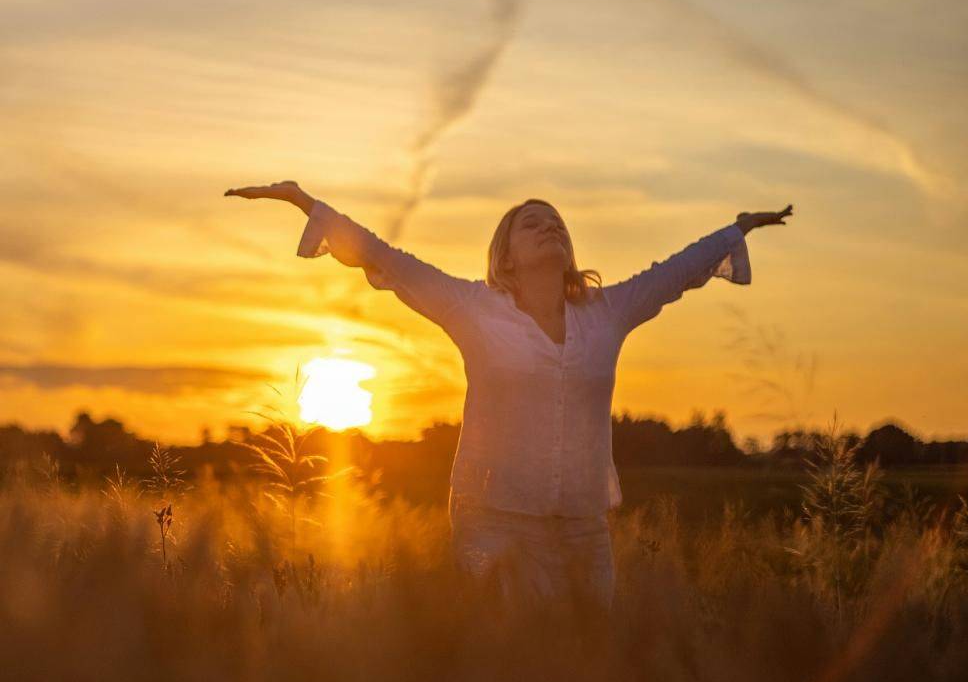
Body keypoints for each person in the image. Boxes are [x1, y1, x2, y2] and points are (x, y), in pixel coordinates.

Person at [225, 180, 793, 612]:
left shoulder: (607, 314)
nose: (550, 228)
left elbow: (674, 274)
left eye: (557, 225)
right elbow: (388, 260)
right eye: (532, 225)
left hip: (582, 524)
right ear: (507, 255)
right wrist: (306, 204)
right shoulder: (474, 309)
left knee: (589, 666)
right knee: (501, 664)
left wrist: (735, 230)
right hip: (493, 521)